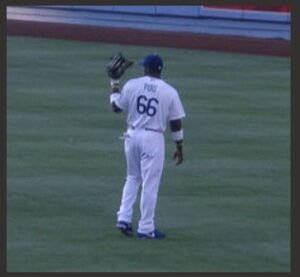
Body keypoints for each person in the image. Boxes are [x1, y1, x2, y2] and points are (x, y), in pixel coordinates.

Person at [109, 53, 186, 239]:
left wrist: (114, 83)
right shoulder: (169, 91)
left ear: (147, 69)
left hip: (132, 135)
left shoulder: (132, 84)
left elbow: (116, 107)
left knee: (132, 177)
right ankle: (146, 228)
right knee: (150, 185)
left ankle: (124, 217)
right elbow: (176, 122)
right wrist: (179, 146)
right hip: (153, 138)